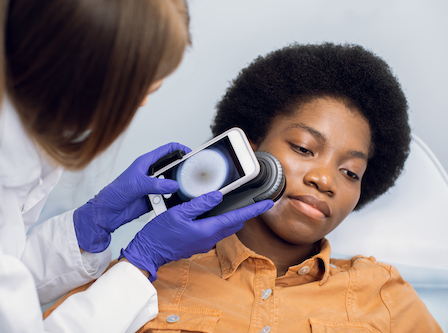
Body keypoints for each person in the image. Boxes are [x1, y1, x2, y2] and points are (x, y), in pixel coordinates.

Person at [0, 0, 273, 332]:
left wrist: (88, 227)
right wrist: (141, 263)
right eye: (142, 88)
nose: (144, 102)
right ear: (81, 75)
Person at [133, 43, 442, 332]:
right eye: (304, 149)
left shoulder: (383, 296)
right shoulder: (148, 275)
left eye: (350, 172)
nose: (324, 180)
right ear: (250, 148)